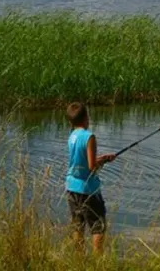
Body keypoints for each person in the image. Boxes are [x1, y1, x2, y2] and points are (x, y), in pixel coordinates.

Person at [65, 102, 116, 254]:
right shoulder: (89, 137)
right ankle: (97, 260)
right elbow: (92, 166)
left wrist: (102, 158)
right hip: (88, 189)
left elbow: (81, 161)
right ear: (86, 117)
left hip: (72, 187)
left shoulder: (72, 136)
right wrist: (103, 161)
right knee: (97, 226)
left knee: (78, 225)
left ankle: (79, 258)